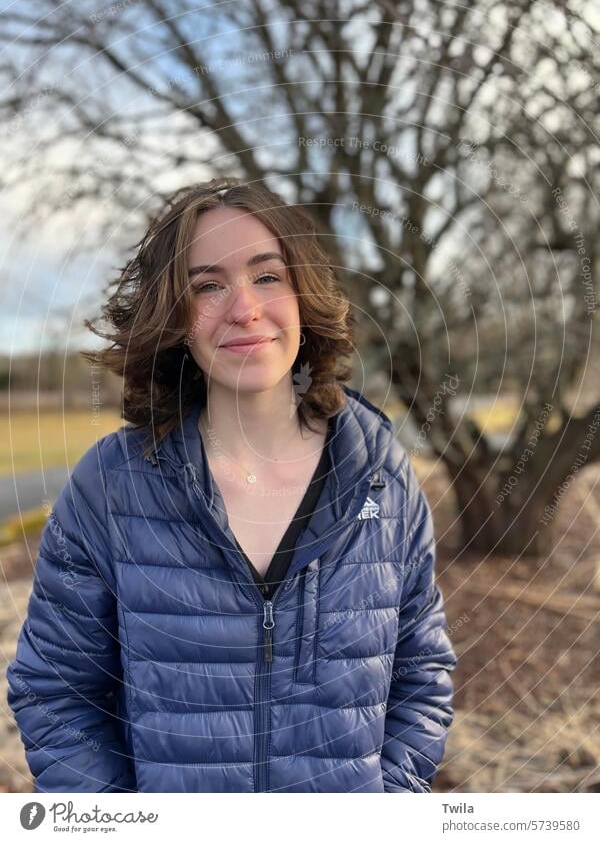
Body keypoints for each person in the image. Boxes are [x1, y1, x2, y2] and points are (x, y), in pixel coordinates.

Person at [6, 177, 457, 793]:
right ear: (176, 319)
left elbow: (421, 675)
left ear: (303, 295)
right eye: (208, 285)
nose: (244, 308)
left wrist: (386, 806)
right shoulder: (111, 485)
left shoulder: (382, 475)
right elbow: (56, 690)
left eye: (267, 276)